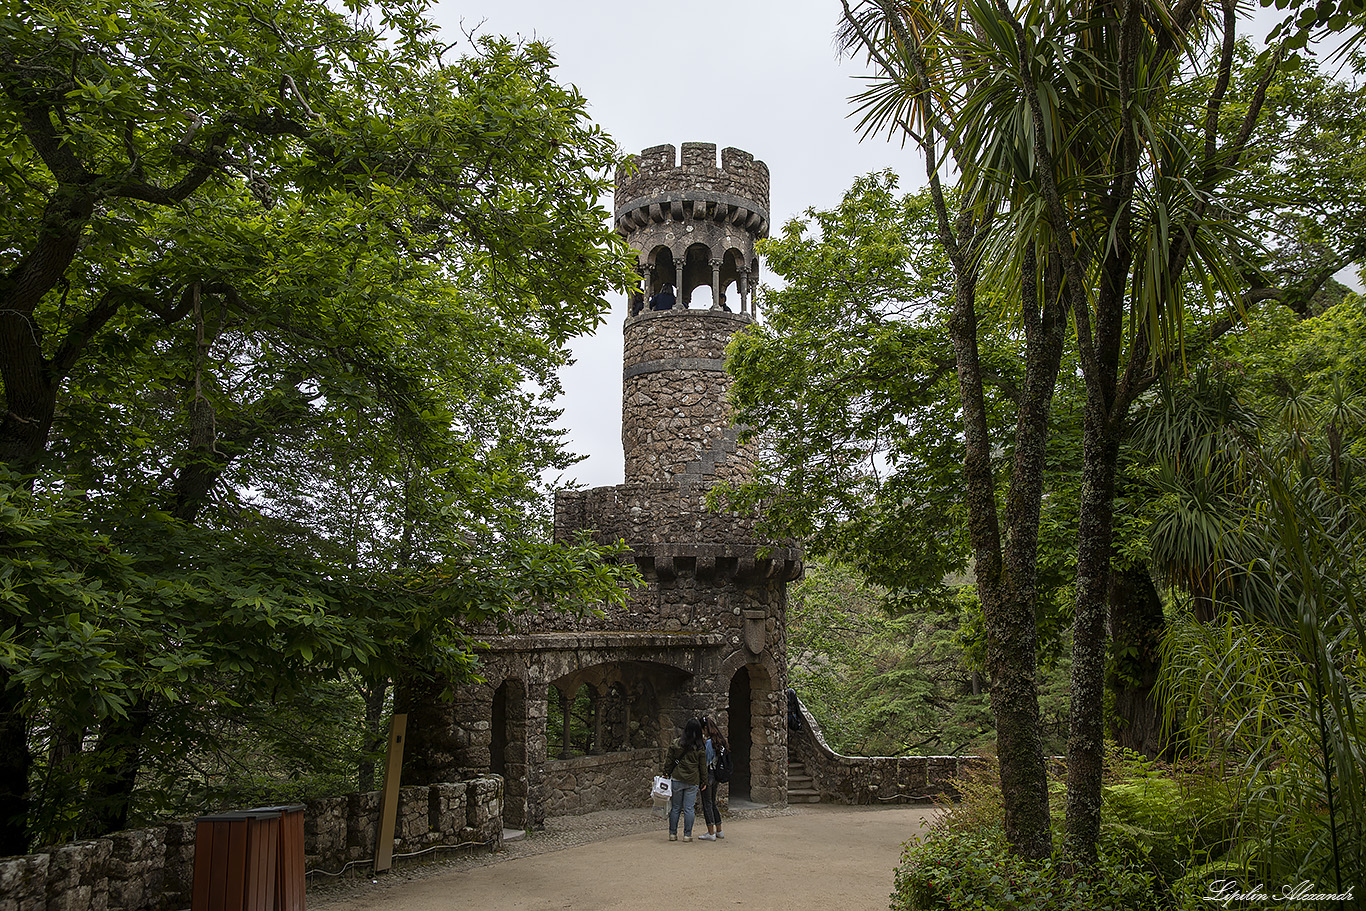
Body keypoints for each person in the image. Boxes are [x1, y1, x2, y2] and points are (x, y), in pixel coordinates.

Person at [662, 717, 706, 841]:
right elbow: (703, 766)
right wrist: (704, 781)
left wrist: (665, 773)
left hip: (677, 778)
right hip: (692, 780)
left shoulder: (676, 743)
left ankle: (672, 833)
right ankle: (687, 835)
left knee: (675, 808)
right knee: (689, 809)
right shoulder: (699, 747)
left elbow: (669, 760)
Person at [698, 716, 727, 840]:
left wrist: (702, 779)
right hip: (716, 774)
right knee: (713, 802)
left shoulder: (709, 742)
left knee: (707, 803)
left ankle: (710, 832)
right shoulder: (720, 741)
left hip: (709, 774)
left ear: (705, 728)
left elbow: (706, 760)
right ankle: (719, 830)